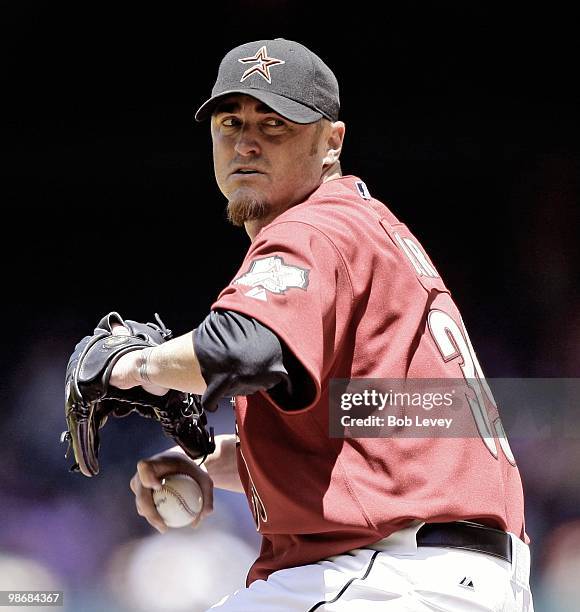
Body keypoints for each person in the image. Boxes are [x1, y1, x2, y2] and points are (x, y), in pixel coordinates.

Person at [109, 38, 534, 610]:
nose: (247, 142)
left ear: (331, 142)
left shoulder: (316, 229)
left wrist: (134, 366)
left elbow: (243, 350)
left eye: (275, 123)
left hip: (389, 578)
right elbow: (367, 435)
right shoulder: (368, 231)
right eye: (229, 122)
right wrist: (213, 463)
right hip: (455, 578)